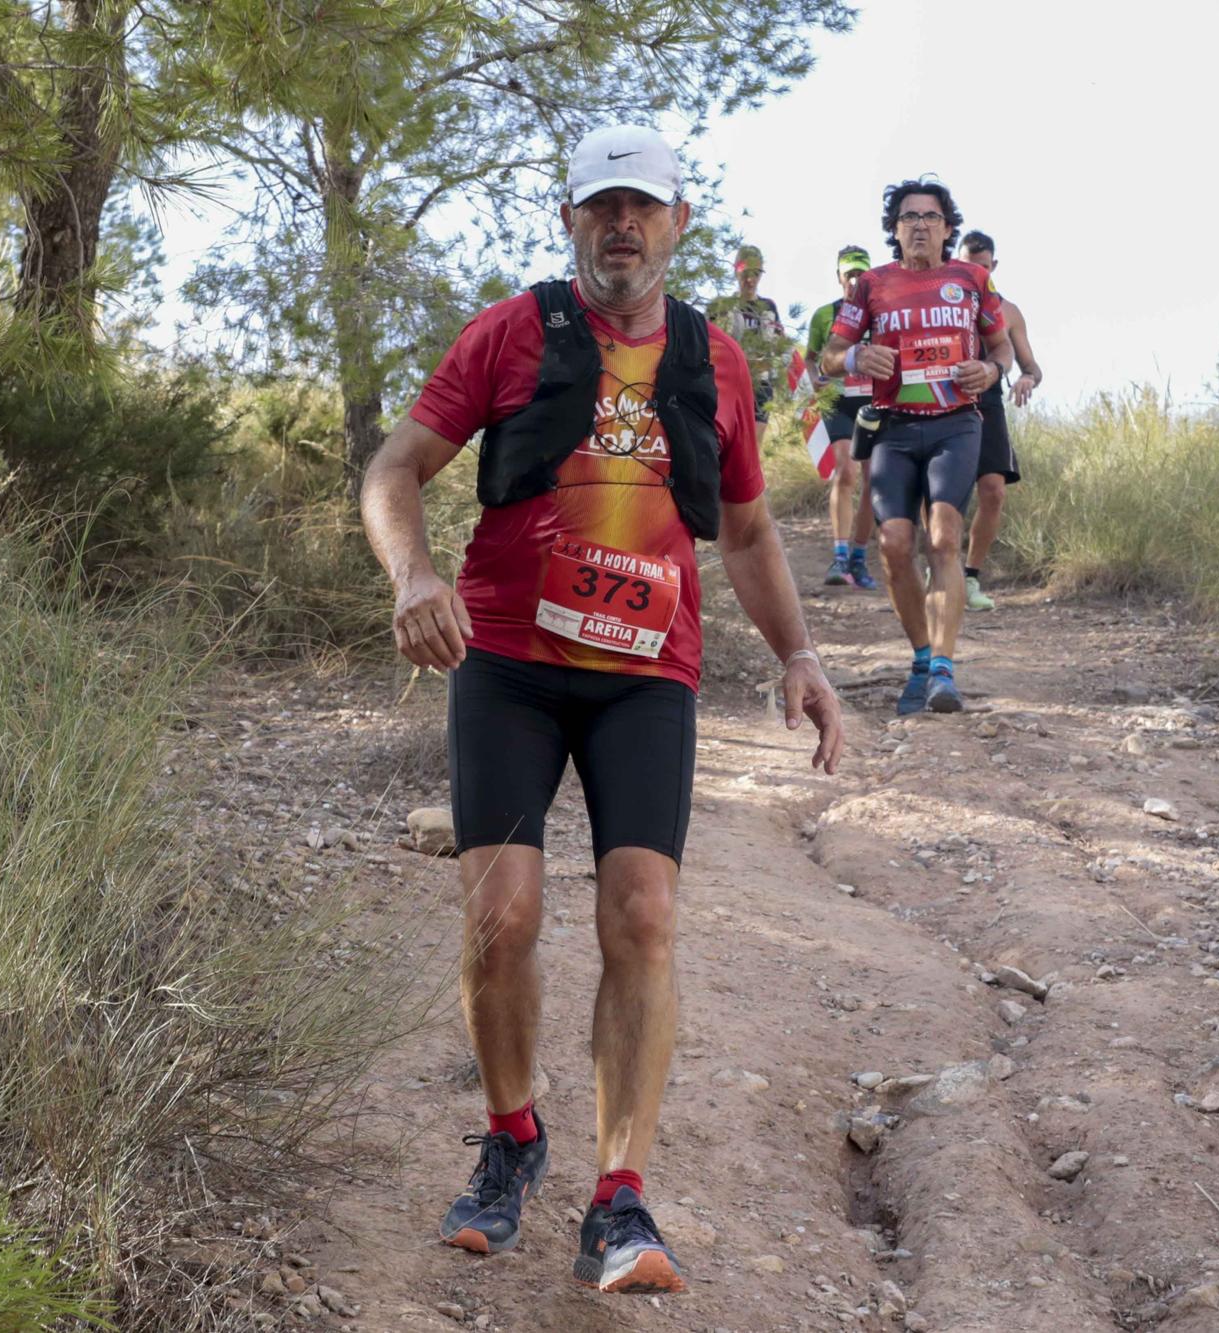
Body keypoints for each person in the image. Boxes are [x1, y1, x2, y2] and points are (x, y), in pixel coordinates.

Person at [360, 124, 844, 1298]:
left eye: (641, 208)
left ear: (678, 224)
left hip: (645, 674)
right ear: (570, 220)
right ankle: (512, 1137)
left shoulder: (715, 361)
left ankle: (619, 1195)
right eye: (598, 209)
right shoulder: (510, 332)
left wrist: (798, 652)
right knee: (503, 916)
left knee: (642, 914)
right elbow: (391, 472)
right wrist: (414, 579)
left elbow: (742, 528)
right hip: (509, 661)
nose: (619, 227)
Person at [817, 178, 1013, 714]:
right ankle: (922, 658)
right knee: (895, 547)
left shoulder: (972, 279)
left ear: (948, 228)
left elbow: (1001, 346)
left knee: (944, 539)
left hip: (956, 423)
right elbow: (830, 355)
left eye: (931, 217)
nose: (921, 225)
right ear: (895, 229)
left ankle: (945, 670)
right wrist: (857, 359)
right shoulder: (871, 285)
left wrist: (990, 369)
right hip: (895, 429)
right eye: (909, 217)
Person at [956, 230, 1043, 612]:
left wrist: (1026, 378)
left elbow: (1032, 366)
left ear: (994, 267)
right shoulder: (939, 301)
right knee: (944, 492)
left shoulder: (1008, 311)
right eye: (969, 266)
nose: (977, 273)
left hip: (988, 401)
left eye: (985, 267)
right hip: (945, 400)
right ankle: (938, 570)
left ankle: (970, 577)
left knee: (993, 490)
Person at [805, 245, 881, 589]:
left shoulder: (880, 311)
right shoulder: (824, 315)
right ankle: (838, 557)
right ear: (838, 277)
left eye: (860, 274)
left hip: (873, 401)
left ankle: (859, 558)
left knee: (872, 478)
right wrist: (815, 379)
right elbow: (810, 358)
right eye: (849, 273)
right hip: (838, 400)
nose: (854, 280)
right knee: (844, 468)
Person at [707, 244, 787, 422]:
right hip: (727, 382)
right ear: (736, 271)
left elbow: (781, 346)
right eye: (745, 273)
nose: (750, 279)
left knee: (753, 448)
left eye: (756, 273)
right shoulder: (721, 306)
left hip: (760, 384)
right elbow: (704, 347)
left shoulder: (769, 307)